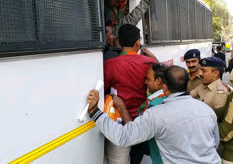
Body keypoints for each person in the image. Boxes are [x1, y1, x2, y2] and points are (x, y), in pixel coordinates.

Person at [88, 66, 221, 164]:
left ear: (164, 87)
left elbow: (123, 137)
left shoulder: (157, 114)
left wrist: (95, 111)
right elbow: (214, 143)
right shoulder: (207, 110)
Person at [104, 24, 155, 164]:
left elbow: (105, 89)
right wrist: (152, 57)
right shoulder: (148, 62)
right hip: (141, 121)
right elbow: (164, 77)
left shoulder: (110, 64)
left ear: (118, 41)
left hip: (119, 122)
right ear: (137, 42)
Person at [112, 63, 167, 164]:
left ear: (158, 81)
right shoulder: (164, 97)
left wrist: (121, 107)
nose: (145, 82)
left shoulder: (155, 104)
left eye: (148, 79)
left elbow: (134, 133)